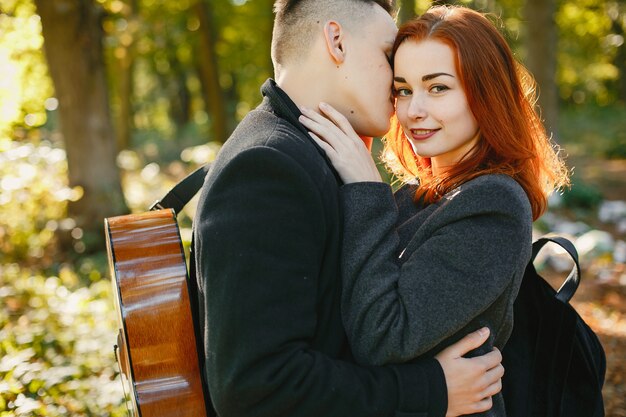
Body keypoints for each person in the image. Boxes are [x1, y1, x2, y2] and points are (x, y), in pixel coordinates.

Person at [193, 1, 506, 416]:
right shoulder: (269, 167)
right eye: (386, 56)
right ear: (336, 41)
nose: (400, 97)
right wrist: (429, 389)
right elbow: (257, 386)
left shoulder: (305, 153)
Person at [298, 5, 570, 416]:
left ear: (485, 93)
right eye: (403, 89)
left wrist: (364, 190)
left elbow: (383, 338)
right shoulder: (416, 194)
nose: (413, 111)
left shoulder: (493, 204)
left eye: (438, 88)